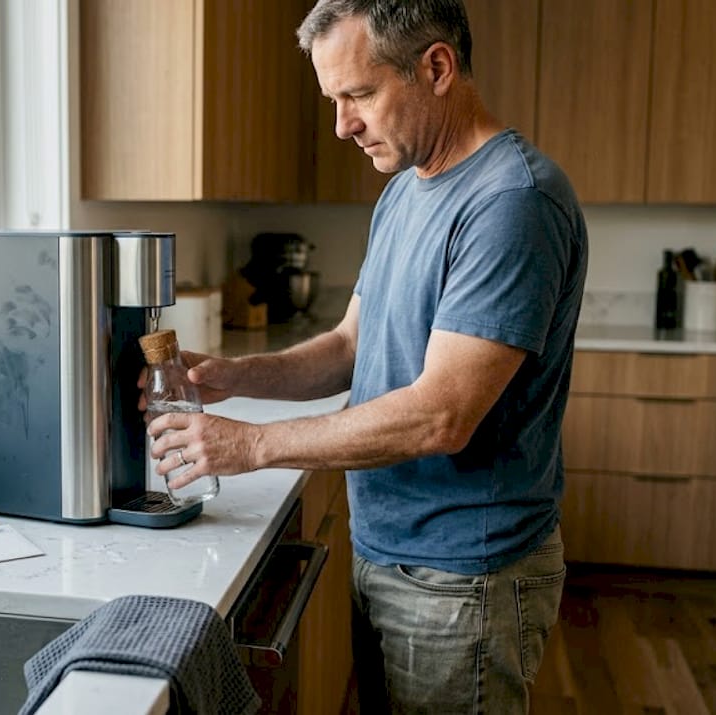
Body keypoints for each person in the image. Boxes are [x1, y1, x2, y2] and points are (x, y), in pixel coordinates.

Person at [143, 0, 588, 711]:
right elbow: (352, 345)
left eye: (358, 94)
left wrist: (252, 444)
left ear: (436, 67)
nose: (342, 125)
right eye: (334, 99)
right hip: (389, 548)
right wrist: (230, 376)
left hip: (462, 578)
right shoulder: (405, 192)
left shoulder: (512, 202)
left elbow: (441, 415)